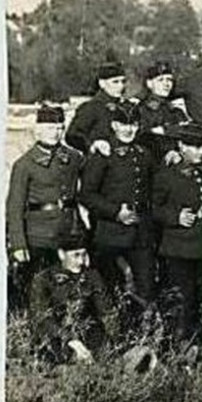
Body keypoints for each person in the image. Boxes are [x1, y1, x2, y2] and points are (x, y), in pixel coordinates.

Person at [7, 104, 86, 311]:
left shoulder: (74, 158)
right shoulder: (24, 165)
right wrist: (18, 244)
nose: (56, 133)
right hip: (39, 236)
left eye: (60, 128)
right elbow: (14, 207)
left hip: (69, 233)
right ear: (38, 130)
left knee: (67, 292)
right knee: (38, 293)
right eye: (50, 128)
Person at [78, 102, 156, 303]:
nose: (129, 129)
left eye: (133, 124)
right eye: (123, 124)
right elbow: (86, 194)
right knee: (110, 290)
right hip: (110, 233)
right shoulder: (103, 153)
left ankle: (143, 332)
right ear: (114, 125)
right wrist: (115, 212)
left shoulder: (144, 154)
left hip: (141, 233)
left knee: (145, 288)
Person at [151, 123, 202, 346]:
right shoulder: (167, 175)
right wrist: (176, 216)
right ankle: (180, 343)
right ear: (181, 146)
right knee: (183, 298)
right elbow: (154, 208)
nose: (201, 152)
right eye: (195, 148)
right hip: (178, 247)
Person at [27, 231, 132, 368]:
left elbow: (106, 311)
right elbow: (41, 317)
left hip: (85, 331)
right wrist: (71, 340)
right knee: (54, 359)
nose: (81, 261)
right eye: (75, 255)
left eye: (83, 254)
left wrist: (116, 340)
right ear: (61, 254)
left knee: (105, 357)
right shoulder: (44, 279)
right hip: (55, 335)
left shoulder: (92, 276)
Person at [65, 61, 131, 154]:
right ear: (102, 83)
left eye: (123, 81)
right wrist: (92, 144)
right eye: (115, 82)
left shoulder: (128, 106)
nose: (121, 86)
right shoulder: (91, 107)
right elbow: (72, 135)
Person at [136, 59, 189, 166]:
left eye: (169, 80)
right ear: (149, 83)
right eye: (160, 80)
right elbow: (143, 138)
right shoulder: (141, 110)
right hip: (152, 164)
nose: (166, 84)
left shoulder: (176, 111)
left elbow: (187, 135)